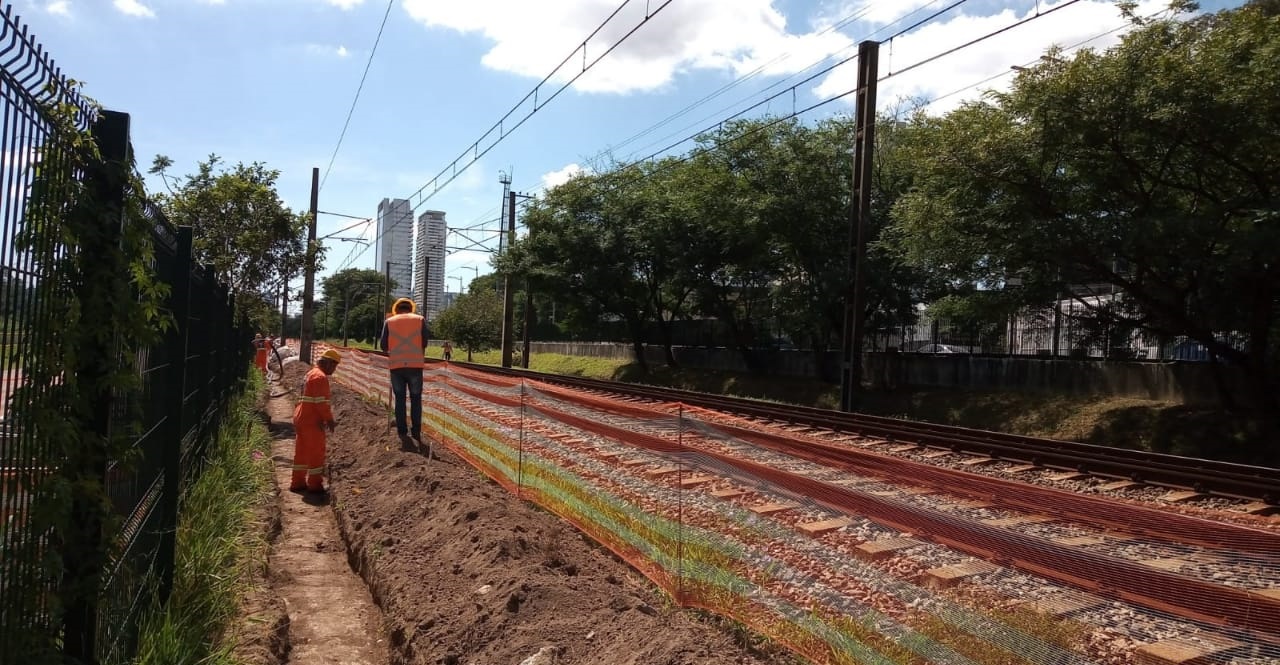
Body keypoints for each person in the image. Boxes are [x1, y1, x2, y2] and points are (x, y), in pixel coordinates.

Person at [379, 298, 429, 441]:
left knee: (400, 399)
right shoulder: (420, 319)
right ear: (411, 308)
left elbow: (383, 345)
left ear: (396, 309)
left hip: (396, 367)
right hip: (416, 366)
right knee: (416, 398)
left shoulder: (389, 321)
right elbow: (425, 342)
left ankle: (402, 431)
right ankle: (416, 431)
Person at [291, 349, 340, 493]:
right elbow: (321, 403)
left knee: (301, 453)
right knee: (316, 453)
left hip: (302, 417)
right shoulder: (320, 377)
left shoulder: (311, 373)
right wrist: (329, 420)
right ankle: (315, 485)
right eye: (335, 366)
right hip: (311, 421)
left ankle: (297, 482)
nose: (334, 370)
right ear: (329, 363)